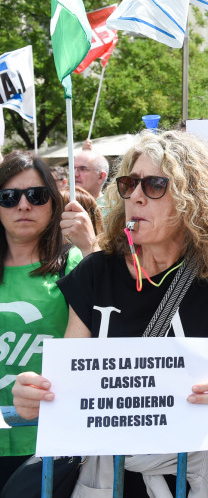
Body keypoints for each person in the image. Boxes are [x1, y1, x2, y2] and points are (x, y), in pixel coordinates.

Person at [13, 130, 208, 497]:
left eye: (153, 185)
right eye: (129, 184)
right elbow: (69, 374)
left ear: (192, 198)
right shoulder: (95, 272)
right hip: (105, 473)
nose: (135, 196)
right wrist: (36, 391)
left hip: (193, 473)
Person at [0, 153, 84, 490]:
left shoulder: (73, 262)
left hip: (45, 445)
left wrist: (90, 246)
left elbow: (105, 334)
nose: (23, 206)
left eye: (36, 196)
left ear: (53, 202)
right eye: (9, 197)